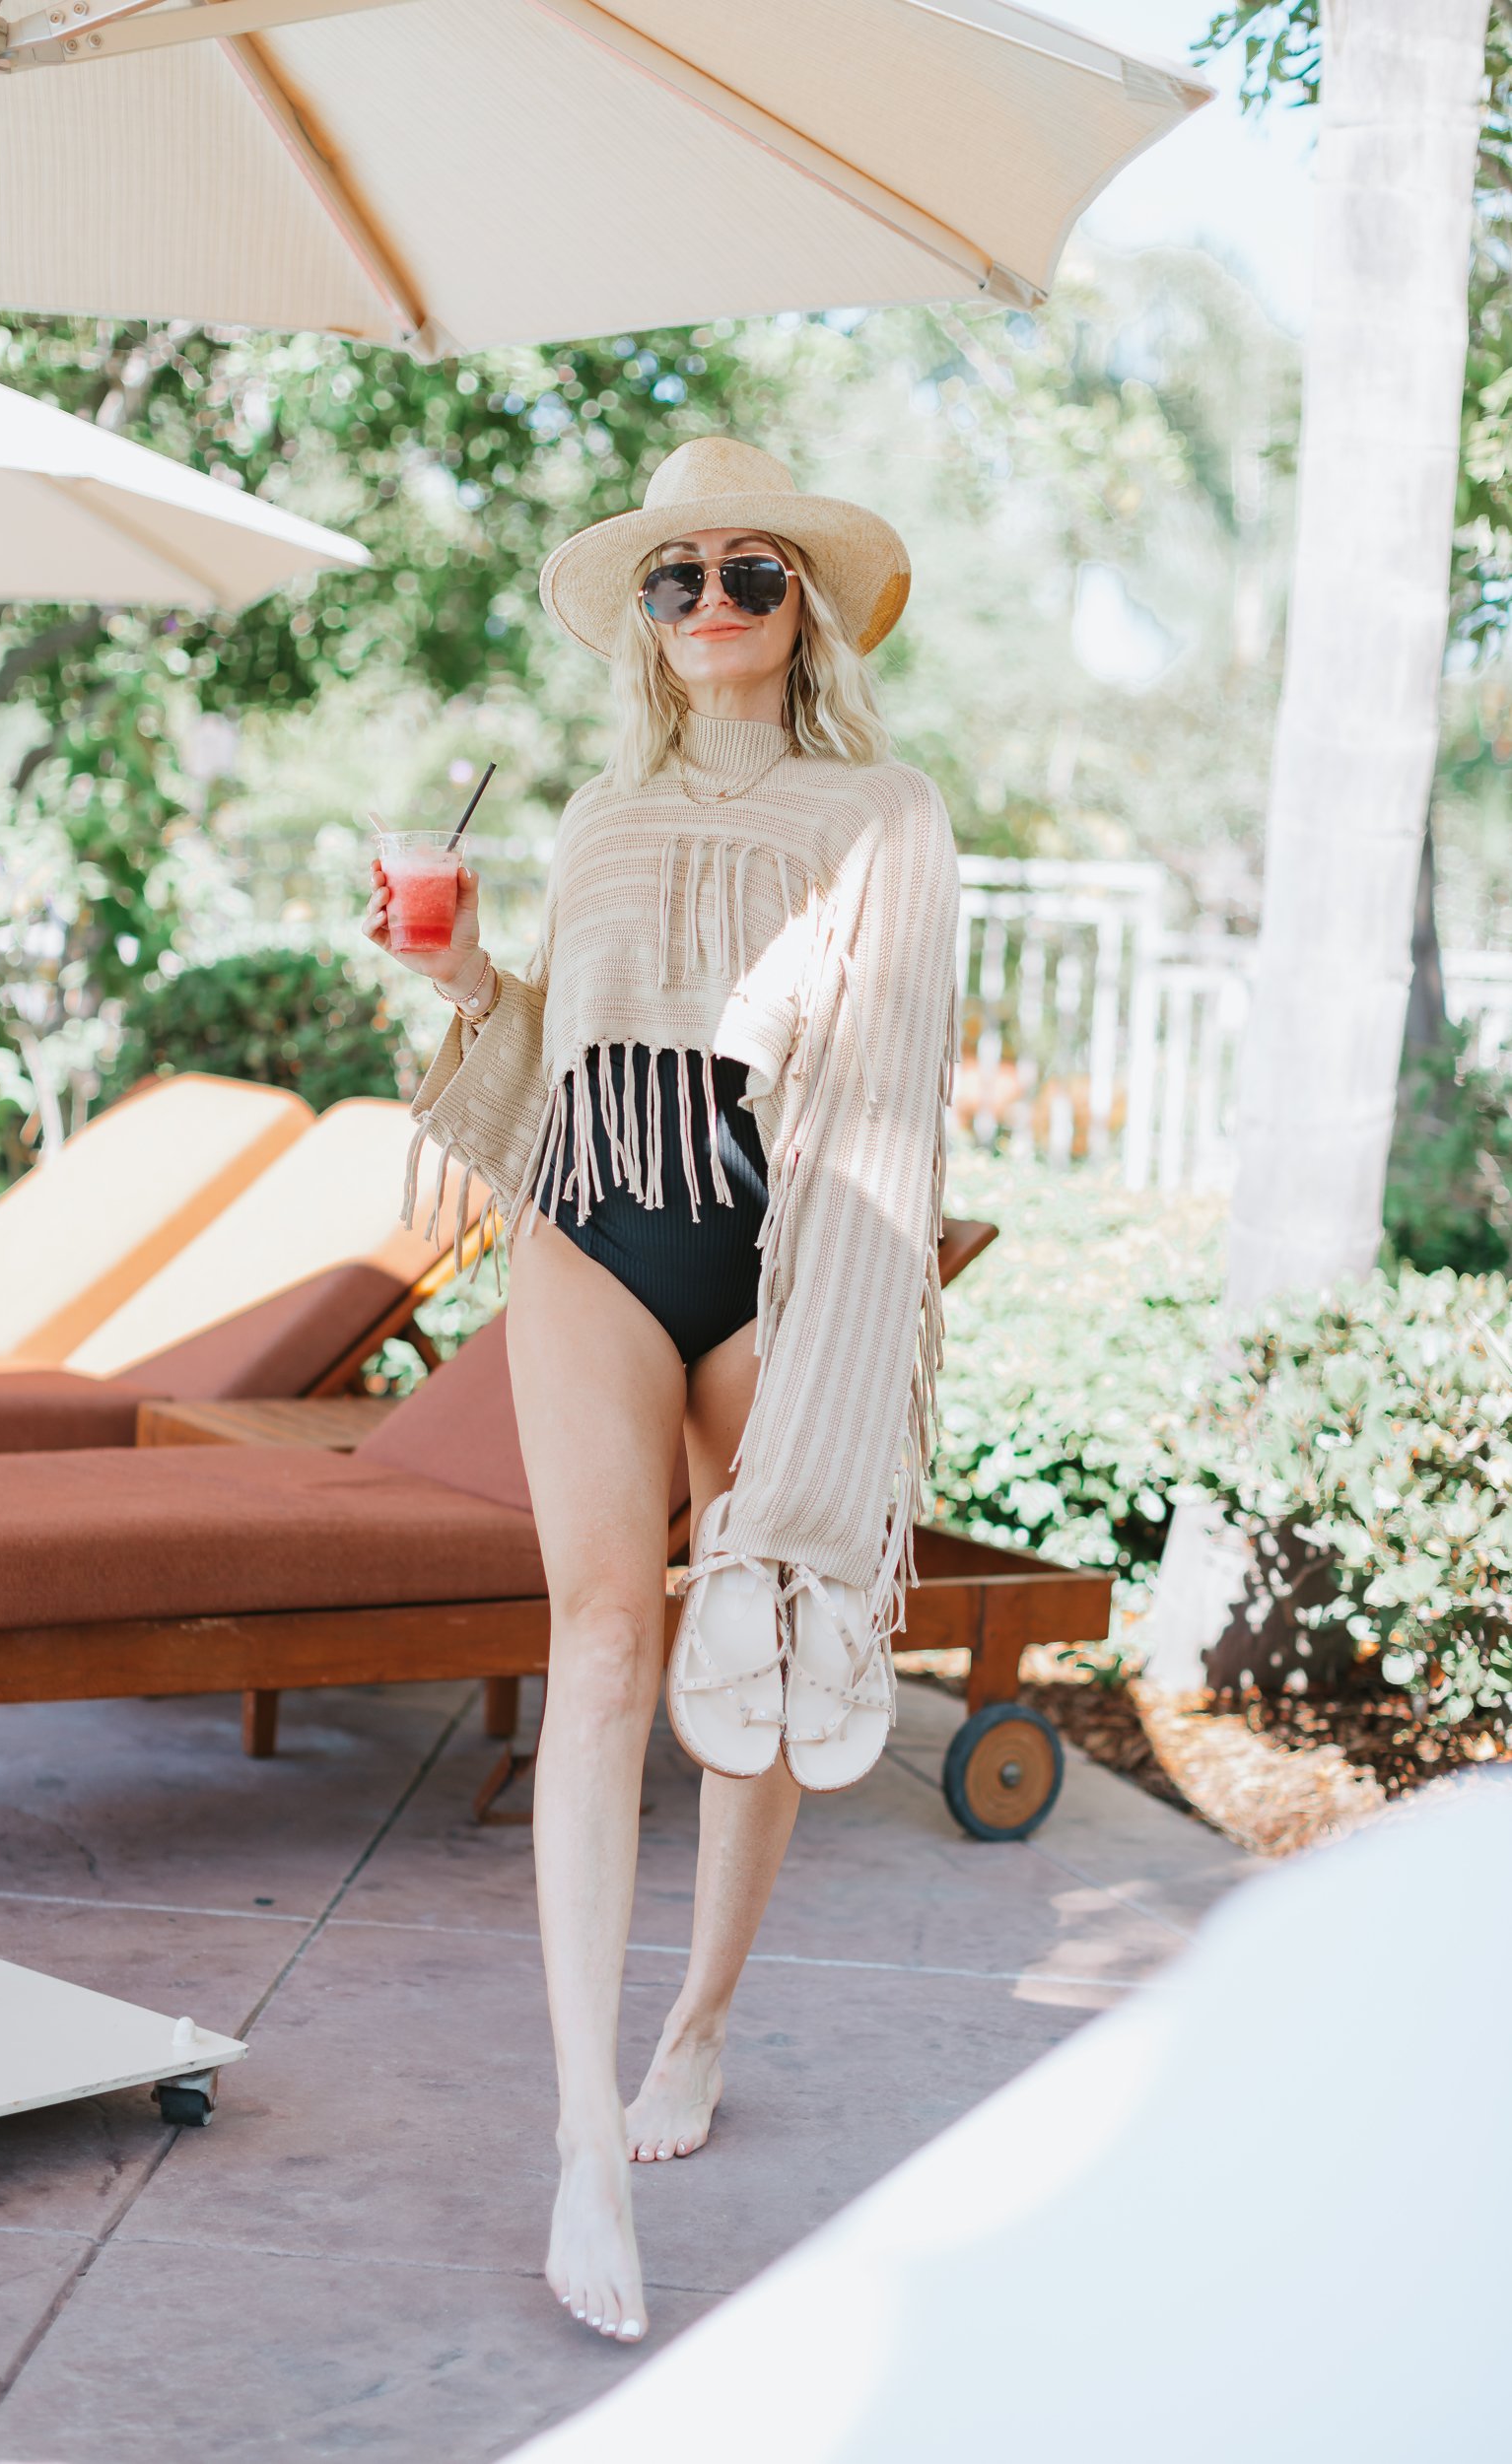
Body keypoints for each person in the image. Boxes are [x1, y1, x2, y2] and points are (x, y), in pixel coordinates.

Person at [364, 438, 958, 2348]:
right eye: (674, 577)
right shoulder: (600, 817)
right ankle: (581, 2139)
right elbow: (556, 1039)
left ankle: (697, 2015)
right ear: (648, 616)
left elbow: (889, 1062)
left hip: (776, 1233)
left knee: (760, 1631)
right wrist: (456, 975)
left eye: (747, 574)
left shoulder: (884, 810)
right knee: (605, 1640)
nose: (707, 600)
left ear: (805, 610)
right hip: (597, 1209)